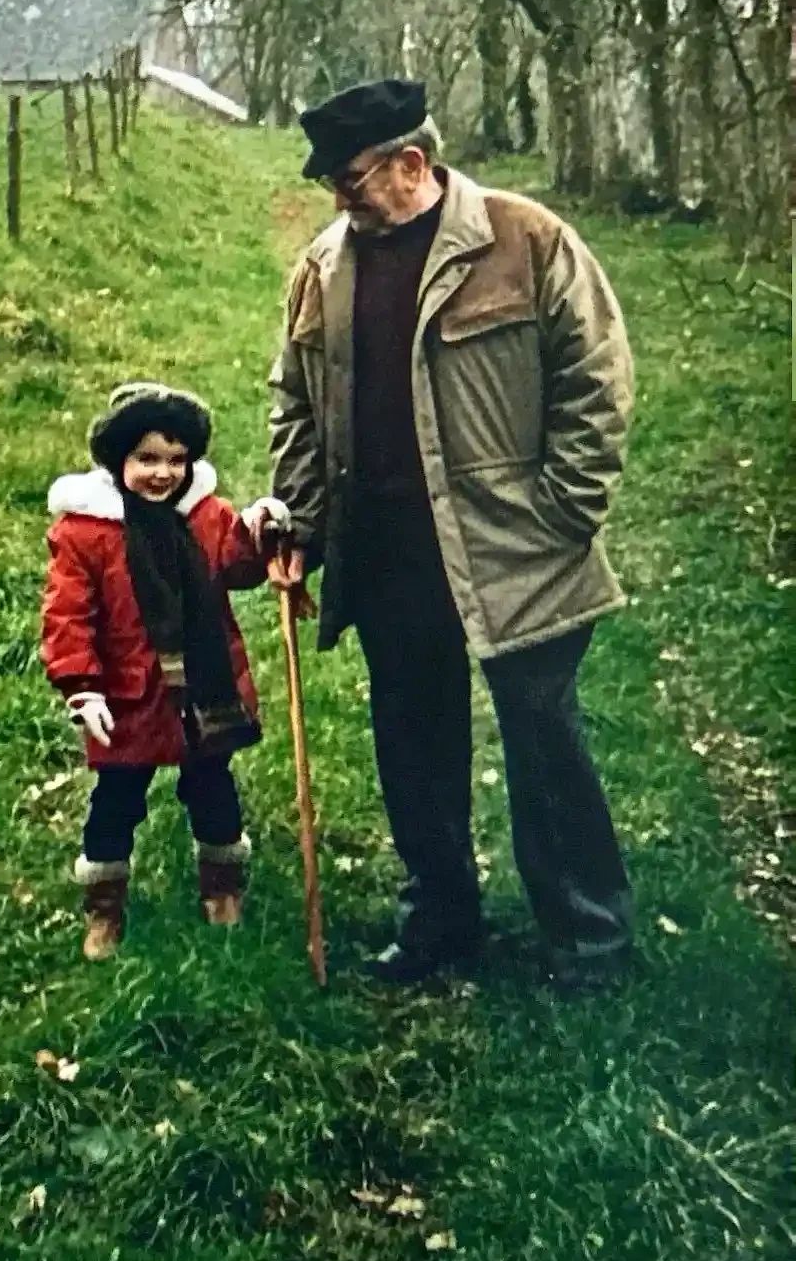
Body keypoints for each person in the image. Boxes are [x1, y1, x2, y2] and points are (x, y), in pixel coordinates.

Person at [250, 78, 636, 995]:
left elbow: (598, 378)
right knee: (415, 747)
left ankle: (589, 943)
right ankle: (441, 924)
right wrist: (302, 515)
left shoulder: (525, 240)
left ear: (411, 163)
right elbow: (294, 402)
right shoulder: (325, 266)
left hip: (518, 552)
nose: (336, 202)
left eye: (348, 182)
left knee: (545, 746)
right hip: (386, 554)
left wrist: (565, 511)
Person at [41, 380, 291, 961]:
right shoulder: (88, 532)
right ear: (117, 459)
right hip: (128, 697)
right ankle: (105, 907)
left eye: (177, 460)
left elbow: (240, 564)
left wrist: (260, 532)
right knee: (117, 798)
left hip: (204, 689)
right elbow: (67, 615)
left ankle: (221, 886)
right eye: (147, 458)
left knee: (211, 786)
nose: (163, 473)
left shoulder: (205, 517)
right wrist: (82, 687)